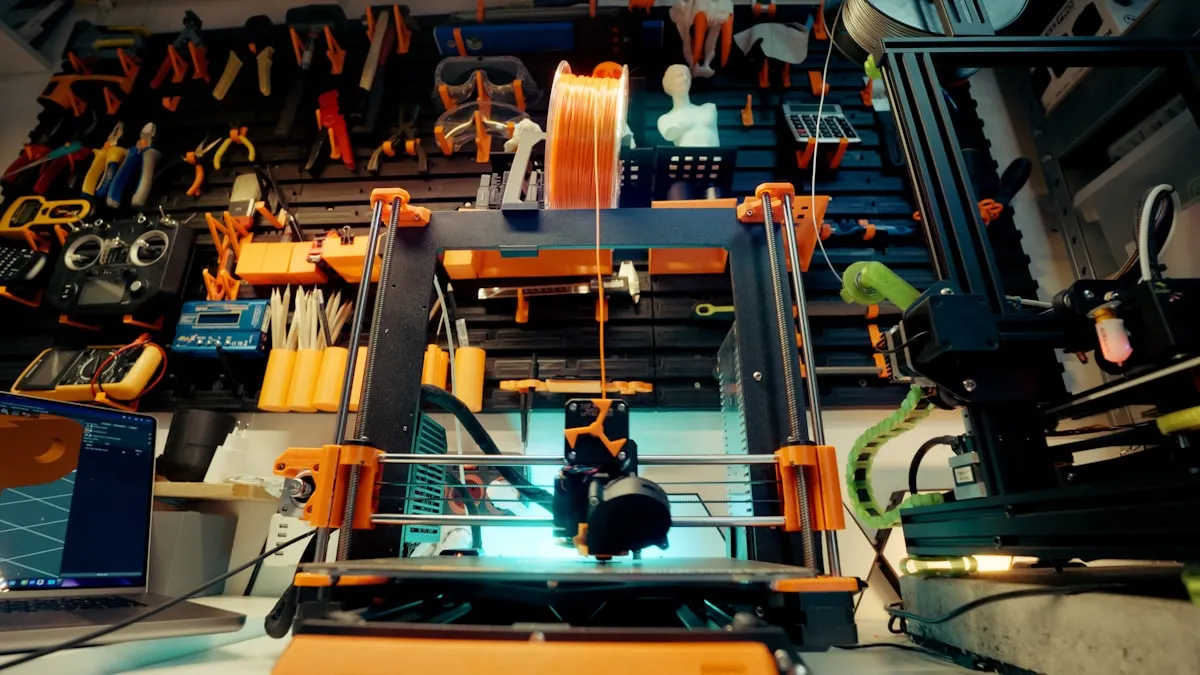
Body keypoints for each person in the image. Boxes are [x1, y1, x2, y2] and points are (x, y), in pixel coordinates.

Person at [656, 64, 720, 147]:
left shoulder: (708, 109)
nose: (685, 78)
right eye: (680, 75)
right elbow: (670, 133)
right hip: (687, 155)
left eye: (687, 75)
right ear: (669, 84)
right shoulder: (665, 119)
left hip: (713, 154)